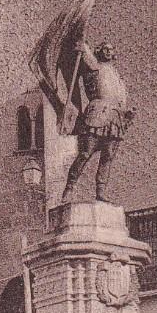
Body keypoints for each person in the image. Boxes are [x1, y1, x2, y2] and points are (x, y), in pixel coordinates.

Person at [62, 39, 133, 203]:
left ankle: (101, 192)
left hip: (115, 118)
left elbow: (120, 97)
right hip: (96, 114)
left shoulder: (116, 74)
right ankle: (69, 188)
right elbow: (83, 49)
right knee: (85, 153)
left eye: (111, 49)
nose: (108, 51)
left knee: (108, 156)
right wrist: (80, 41)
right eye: (105, 49)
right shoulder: (94, 65)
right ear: (99, 51)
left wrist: (126, 112)